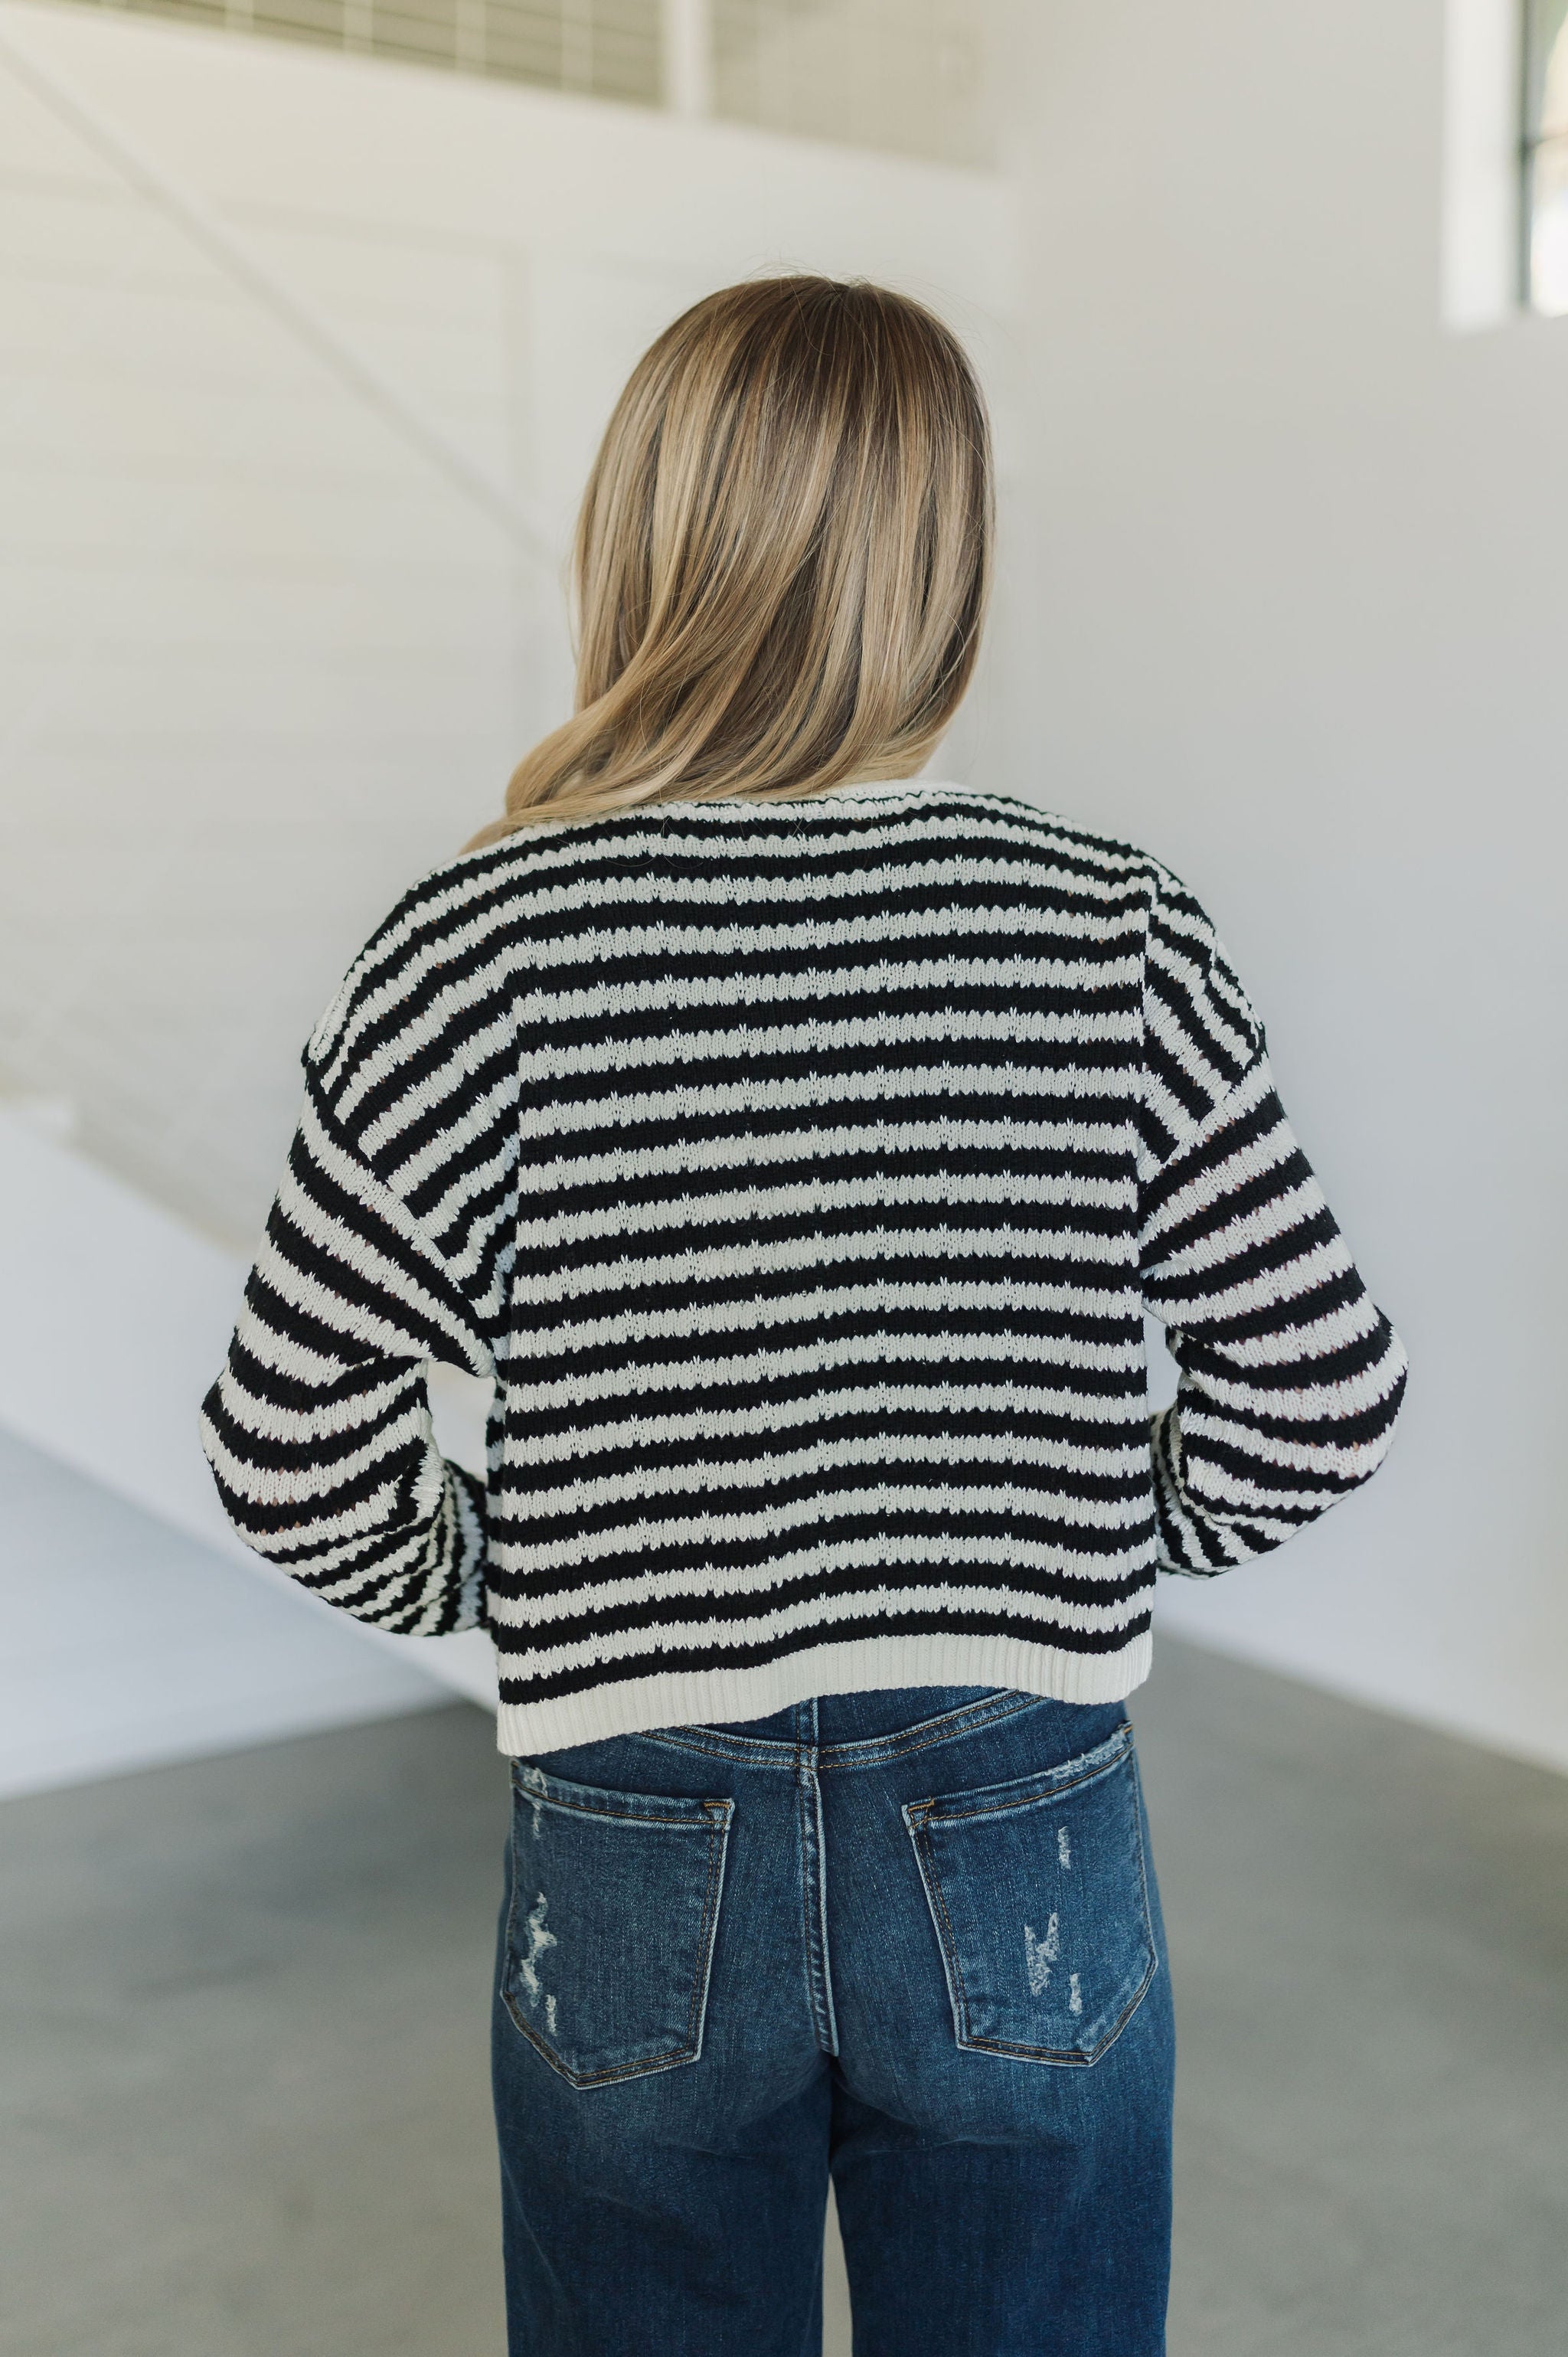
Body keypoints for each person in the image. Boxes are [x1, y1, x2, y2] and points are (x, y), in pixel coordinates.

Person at [201, 276, 1406, 2357]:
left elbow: (286, 1449)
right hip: (1021, 1810)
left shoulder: (474, 938)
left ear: (638, 542)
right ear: (943, 574)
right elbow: (1316, 1392)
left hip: (631, 1831)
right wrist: (1064, 1536)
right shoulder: (1098, 919)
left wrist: (529, 1584)